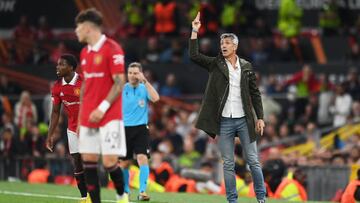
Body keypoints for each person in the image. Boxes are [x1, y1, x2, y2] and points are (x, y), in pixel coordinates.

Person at [189, 12, 266, 203]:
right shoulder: (215, 64)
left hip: (245, 120)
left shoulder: (247, 66)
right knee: (228, 164)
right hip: (224, 121)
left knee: (254, 161)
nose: (223, 46)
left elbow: (255, 93)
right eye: (222, 44)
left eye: (227, 43)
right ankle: (232, 200)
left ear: (235, 46)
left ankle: (261, 198)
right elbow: (194, 55)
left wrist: (261, 117)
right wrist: (194, 31)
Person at [75, 8, 128, 203]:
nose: (76, 31)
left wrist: (102, 107)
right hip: (89, 115)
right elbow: (86, 85)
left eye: (78, 27)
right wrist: (81, 117)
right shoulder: (84, 52)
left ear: (88, 28)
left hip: (110, 115)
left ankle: (122, 195)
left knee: (109, 162)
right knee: (88, 160)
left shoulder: (112, 49)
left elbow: (119, 81)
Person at [45, 54, 89, 203]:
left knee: (90, 160)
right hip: (72, 129)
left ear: (71, 67)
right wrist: (50, 135)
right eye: (57, 64)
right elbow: (55, 112)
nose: (57, 67)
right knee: (77, 161)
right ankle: (84, 197)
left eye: (61, 64)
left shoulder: (84, 81)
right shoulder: (57, 86)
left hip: (89, 127)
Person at [120, 62, 160, 201]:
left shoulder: (144, 88)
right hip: (124, 129)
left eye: (135, 72)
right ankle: (125, 192)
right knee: (125, 163)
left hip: (141, 129)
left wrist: (145, 81)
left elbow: (156, 98)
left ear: (140, 73)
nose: (132, 75)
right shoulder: (122, 88)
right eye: (130, 73)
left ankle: (142, 192)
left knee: (142, 158)